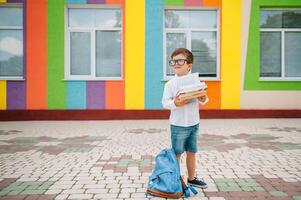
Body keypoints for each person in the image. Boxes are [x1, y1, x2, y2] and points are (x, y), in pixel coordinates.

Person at [161, 48, 208, 189]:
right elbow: (165, 102)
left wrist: (203, 98)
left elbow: (204, 99)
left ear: (189, 65)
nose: (176, 63)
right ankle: (176, 180)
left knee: (192, 152)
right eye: (173, 61)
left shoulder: (196, 81)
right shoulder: (170, 84)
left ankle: (192, 178)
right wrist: (175, 103)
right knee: (177, 154)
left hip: (194, 123)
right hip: (178, 125)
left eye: (180, 60)